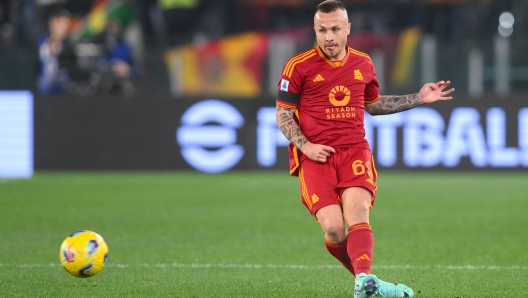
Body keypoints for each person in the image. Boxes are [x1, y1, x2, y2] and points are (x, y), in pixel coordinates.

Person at [275, 1, 454, 297]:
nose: (329, 37)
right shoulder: (298, 66)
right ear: (315, 31)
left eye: (334, 29)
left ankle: (364, 284)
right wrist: (306, 147)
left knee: (357, 212)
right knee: (333, 229)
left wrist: (419, 98)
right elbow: (283, 115)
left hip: (354, 151)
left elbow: (372, 104)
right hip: (315, 156)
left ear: (348, 29)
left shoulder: (363, 63)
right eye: (322, 30)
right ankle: (372, 284)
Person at [37, 8, 72, 95]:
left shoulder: (69, 45)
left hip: (64, 87)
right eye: (62, 24)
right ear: (53, 24)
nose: (65, 28)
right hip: (44, 88)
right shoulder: (42, 43)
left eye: (67, 24)